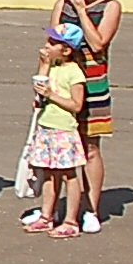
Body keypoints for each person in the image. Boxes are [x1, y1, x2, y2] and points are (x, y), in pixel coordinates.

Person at [49, 0, 121, 234]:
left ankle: (91, 208)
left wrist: (81, 12)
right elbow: (52, 43)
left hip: (93, 81)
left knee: (90, 146)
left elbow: (98, 42)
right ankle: (52, 206)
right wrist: (43, 80)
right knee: (57, 144)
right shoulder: (62, 3)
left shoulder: (110, 6)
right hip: (63, 80)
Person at [24, 25, 90, 241]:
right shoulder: (51, 66)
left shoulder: (74, 72)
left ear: (67, 50)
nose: (46, 46)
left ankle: (71, 220)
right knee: (48, 172)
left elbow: (76, 104)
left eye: (52, 43)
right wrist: (43, 66)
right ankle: (46, 214)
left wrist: (51, 95)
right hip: (46, 126)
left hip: (64, 130)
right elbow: (39, 87)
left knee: (68, 174)